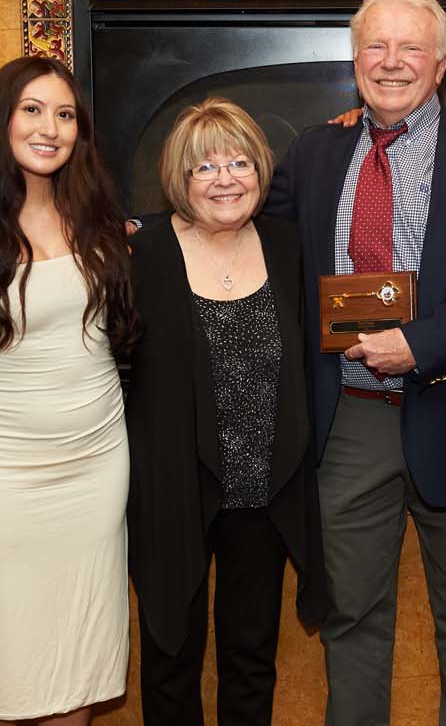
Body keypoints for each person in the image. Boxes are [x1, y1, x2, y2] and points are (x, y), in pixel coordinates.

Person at [267, 0, 446, 726]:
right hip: (348, 418)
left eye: (410, 47)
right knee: (350, 618)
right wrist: (147, 236)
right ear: (355, 59)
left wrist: (415, 343)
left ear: (441, 62)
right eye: (375, 46)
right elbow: (259, 245)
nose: (391, 62)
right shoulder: (315, 152)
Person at [0, 55, 137, 725]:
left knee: (74, 657)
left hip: (96, 460)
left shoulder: (97, 212)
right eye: (32, 109)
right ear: (2, 117)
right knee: (1, 654)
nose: (49, 127)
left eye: (64, 114)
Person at [124, 97, 326, 726]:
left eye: (239, 162)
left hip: (263, 494)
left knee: (250, 657)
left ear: (260, 172)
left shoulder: (287, 245)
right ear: (180, 181)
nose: (225, 179)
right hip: (174, 489)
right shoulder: (144, 255)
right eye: (205, 168)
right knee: (170, 656)